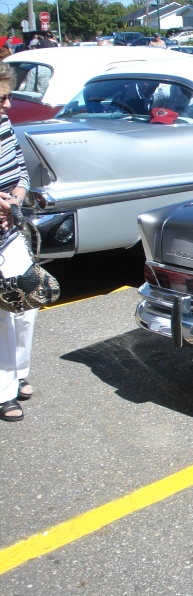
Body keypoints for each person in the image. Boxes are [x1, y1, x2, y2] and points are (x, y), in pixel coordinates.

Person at [0, 61, 35, 422]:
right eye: (2, 99)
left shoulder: (3, 124)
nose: (8, 105)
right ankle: (5, 392)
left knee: (27, 302)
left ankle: (18, 370)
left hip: (10, 229)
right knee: (2, 316)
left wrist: (18, 194)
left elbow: (21, 169)